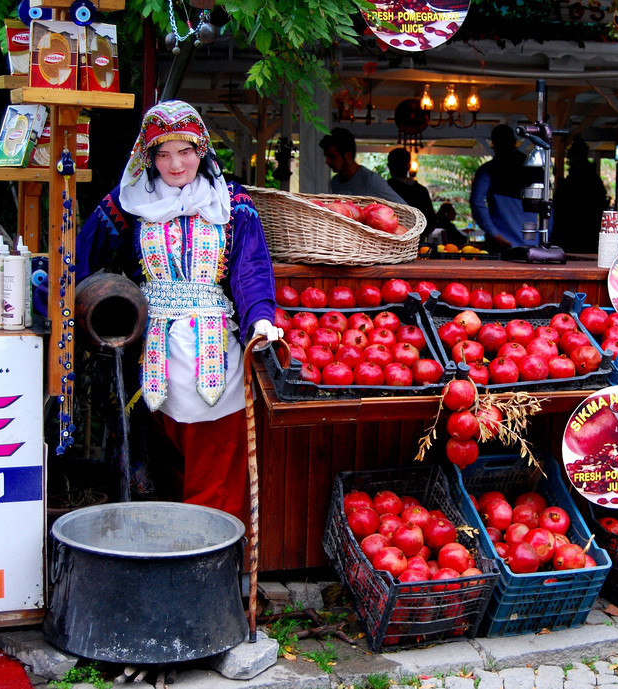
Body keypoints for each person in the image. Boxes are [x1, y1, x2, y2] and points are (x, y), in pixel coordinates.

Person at [74, 100, 280, 521]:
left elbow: (250, 267)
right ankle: (168, 551)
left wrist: (260, 316)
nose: (175, 163)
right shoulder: (128, 201)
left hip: (215, 349)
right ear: (147, 157)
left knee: (215, 460)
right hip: (149, 349)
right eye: (163, 153)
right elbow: (80, 256)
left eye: (184, 151)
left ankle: (212, 556)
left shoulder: (232, 202)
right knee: (159, 459)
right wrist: (48, 303)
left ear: (201, 150)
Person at [469, 124, 540, 250]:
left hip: (500, 245)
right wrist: (545, 238)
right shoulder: (535, 169)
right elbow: (549, 204)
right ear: (515, 142)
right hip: (531, 244)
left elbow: (476, 202)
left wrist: (494, 234)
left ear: (494, 144)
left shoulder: (487, 170)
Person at [551, 136, 610, 253]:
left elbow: (559, 209)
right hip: (589, 237)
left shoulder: (573, 181)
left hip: (571, 237)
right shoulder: (594, 180)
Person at [320, 127, 405, 204]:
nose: (327, 161)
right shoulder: (335, 182)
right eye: (326, 156)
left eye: (332, 156)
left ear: (348, 155)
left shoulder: (370, 180)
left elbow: (403, 207)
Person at [386, 147, 436, 229]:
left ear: (389, 166)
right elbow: (431, 223)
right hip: (415, 237)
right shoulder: (420, 191)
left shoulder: (385, 188)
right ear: (409, 166)